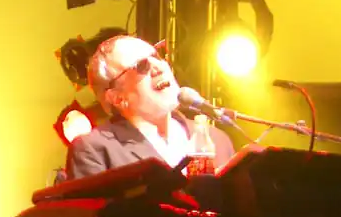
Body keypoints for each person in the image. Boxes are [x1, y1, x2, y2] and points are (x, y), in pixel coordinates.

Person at [66, 35, 235, 179]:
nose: (158, 68)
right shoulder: (96, 150)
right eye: (141, 65)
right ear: (117, 97)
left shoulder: (217, 139)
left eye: (157, 55)